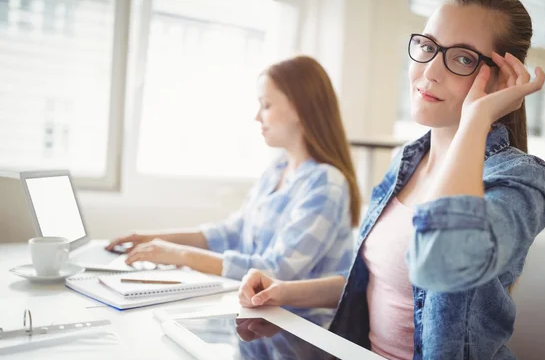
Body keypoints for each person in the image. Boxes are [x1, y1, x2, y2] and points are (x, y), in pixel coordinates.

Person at [237, 0, 545, 360]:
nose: (430, 71)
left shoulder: (520, 178)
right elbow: (378, 282)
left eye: (461, 58)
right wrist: (285, 291)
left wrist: (477, 119)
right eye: (427, 47)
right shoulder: (407, 160)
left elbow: (441, 265)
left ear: (501, 79)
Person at [107, 55, 361, 326]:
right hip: (259, 318)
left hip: (301, 332)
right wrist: (153, 240)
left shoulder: (326, 184)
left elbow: (275, 271)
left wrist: (182, 255)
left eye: (266, 105)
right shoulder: (278, 169)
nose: (257, 116)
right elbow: (232, 232)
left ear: (299, 108)